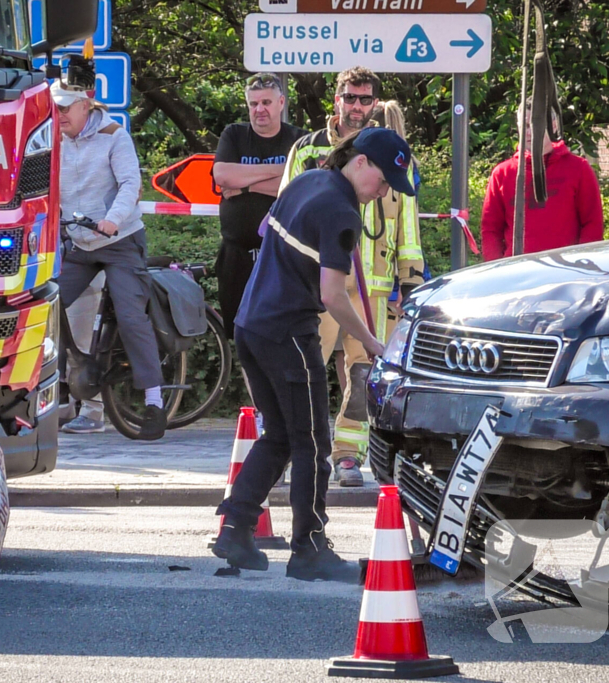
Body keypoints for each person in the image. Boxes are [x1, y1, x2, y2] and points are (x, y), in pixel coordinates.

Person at [212, 128, 416, 582]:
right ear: (360, 162)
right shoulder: (341, 212)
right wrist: (373, 342)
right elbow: (332, 295)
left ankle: (236, 528)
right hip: (288, 331)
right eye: (383, 181)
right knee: (313, 443)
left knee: (281, 435)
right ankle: (309, 547)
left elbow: (269, 235)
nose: (382, 192)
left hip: (252, 323)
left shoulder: (307, 180)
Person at [280, 69, 425, 488]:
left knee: (363, 377)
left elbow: (408, 227)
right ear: (336, 100)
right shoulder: (308, 151)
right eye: (350, 98)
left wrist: (410, 283)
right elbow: (289, 210)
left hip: (374, 290)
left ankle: (348, 456)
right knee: (304, 370)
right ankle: (297, 450)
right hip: (318, 284)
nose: (357, 107)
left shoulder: (395, 156)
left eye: (365, 99)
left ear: (375, 104)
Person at [51, 79, 167, 440]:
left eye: (65, 108)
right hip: (80, 245)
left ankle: (154, 403)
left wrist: (113, 220)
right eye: (55, 108)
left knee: (131, 315)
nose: (59, 115)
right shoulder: (54, 138)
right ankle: (53, 392)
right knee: (46, 307)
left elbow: (131, 184)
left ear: (86, 106)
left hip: (119, 240)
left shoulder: (114, 135)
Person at [211, 73, 306, 339]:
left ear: (281, 103)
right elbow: (222, 176)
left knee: (281, 333)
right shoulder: (234, 134)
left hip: (284, 255)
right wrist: (281, 171)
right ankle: (246, 381)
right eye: (253, 104)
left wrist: (246, 185)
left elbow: (301, 185)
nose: (259, 110)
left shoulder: (299, 141)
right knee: (238, 332)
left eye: (266, 102)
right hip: (236, 254)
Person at [481, 104, 604, 260]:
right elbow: (491, 229)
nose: (529, 131)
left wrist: (581, 262)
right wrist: (497, 268)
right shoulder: (502, 173)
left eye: (535, 124)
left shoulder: (578, 169)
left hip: (567, 269)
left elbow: (592, 223)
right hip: (516, 270)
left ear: (553, 125)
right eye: (524, 125)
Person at [61, 272, 107, 433]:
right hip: (58, 280)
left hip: (85, 281)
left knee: (81, 348)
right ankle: (66, 408)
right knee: (59, 348)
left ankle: (93, 412)